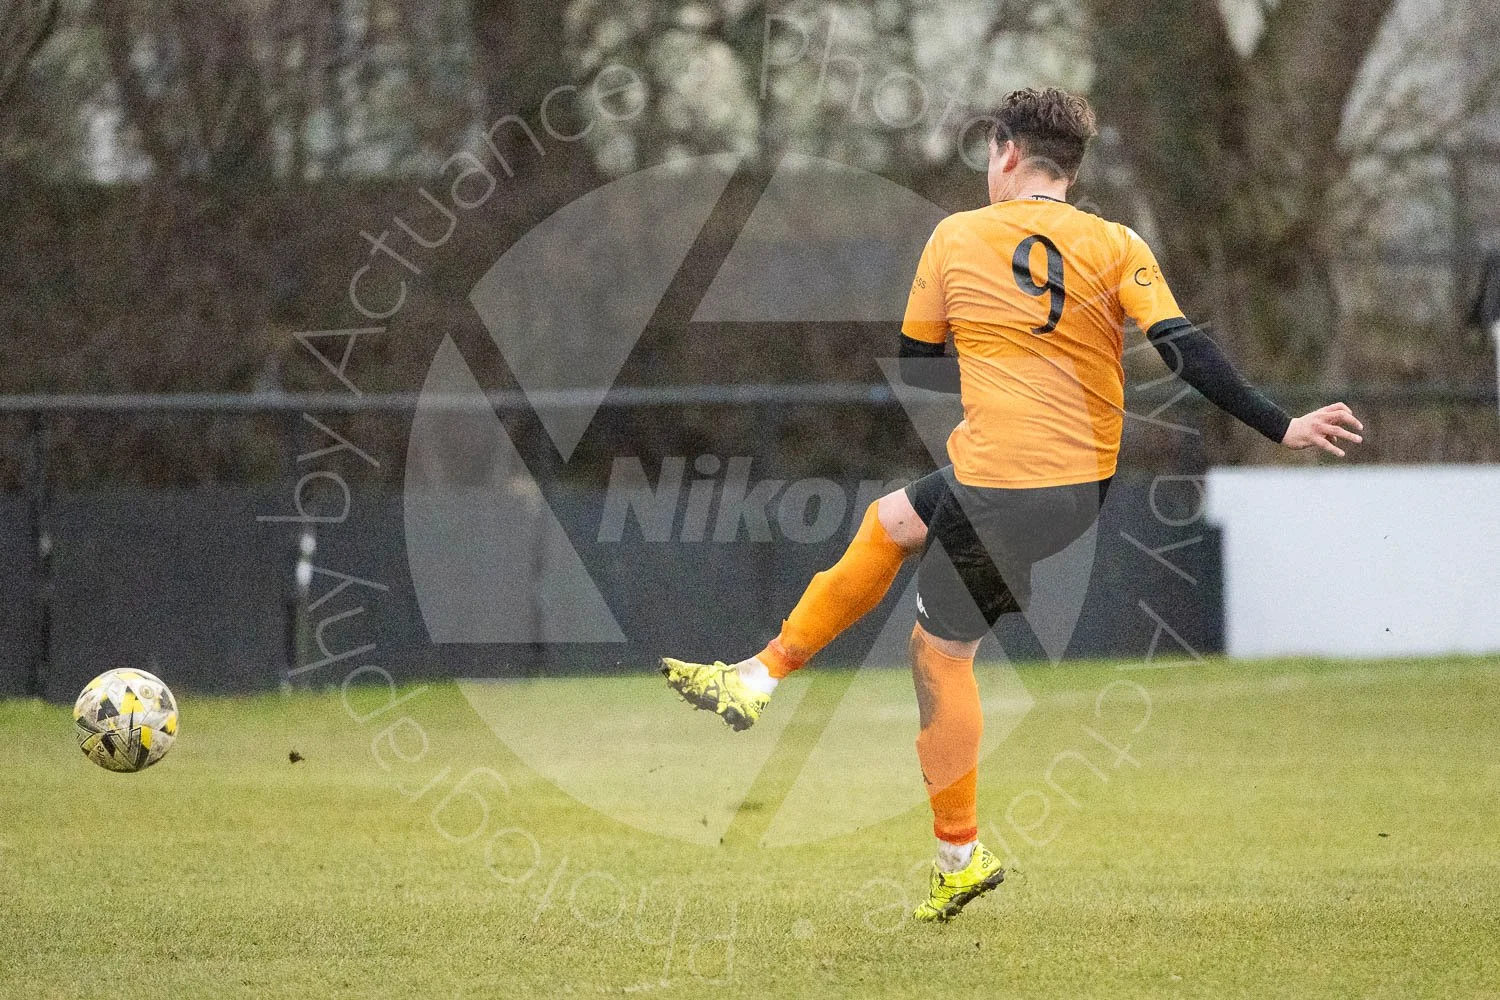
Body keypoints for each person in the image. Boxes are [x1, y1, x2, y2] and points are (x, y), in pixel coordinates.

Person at [661, 87, 1363, 923]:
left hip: (1004, 481)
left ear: (1003, 154)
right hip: (1067, 486)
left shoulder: (956, 237)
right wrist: (1279, 425)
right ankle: (759, 675)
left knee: (939, 654)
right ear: (1070, 168)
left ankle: (958, 853)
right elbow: (1184, 348)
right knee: (891, 520)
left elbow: (917, 359)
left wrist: (991, 342)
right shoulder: (1116, 241)